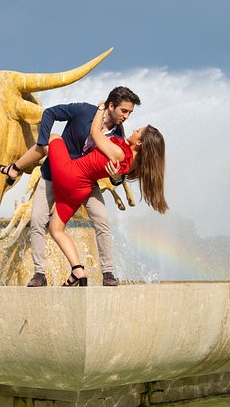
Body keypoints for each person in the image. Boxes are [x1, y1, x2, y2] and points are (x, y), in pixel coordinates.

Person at [0, 87, 140, 287]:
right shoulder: (83, 111)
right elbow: (50, 113)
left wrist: (116, 178)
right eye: (124, 111)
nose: (126, 117)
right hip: (54, 173)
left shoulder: (118, 133)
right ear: (111, 106)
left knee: (102, 220)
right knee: (37, 220)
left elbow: (120, 171)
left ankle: (108, 273)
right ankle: (39, 274)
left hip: (85, 183)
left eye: (130, 113)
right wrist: (44, 144)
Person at [47, 104, 168, 286]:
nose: (134, 129)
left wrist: (101, 108)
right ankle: (78, 271)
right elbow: (120, 175)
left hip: (72, 174)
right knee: (56, 228)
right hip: (83, 188)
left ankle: (14, 168)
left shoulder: (119, 151)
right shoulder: (135, 163)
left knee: (53, 137)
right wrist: (117, 176)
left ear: (141, 142)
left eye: (138, 131)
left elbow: (95, 132)